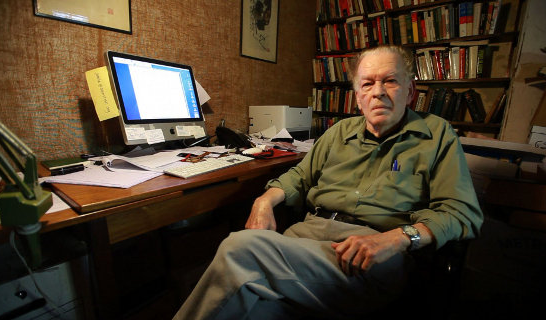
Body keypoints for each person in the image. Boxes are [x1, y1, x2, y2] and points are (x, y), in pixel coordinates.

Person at [173, 45, 483, 320]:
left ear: (410, 90)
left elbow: (461, 213)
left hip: (368, 256)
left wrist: (397, 239)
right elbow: (299, 176)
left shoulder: (436, 134)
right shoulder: (338, 132)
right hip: (303, 244)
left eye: (390, 80)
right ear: (358, 96)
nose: (378, 91)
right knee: (252, 307)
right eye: (367, 84)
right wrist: (264, 200)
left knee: (240, 249)